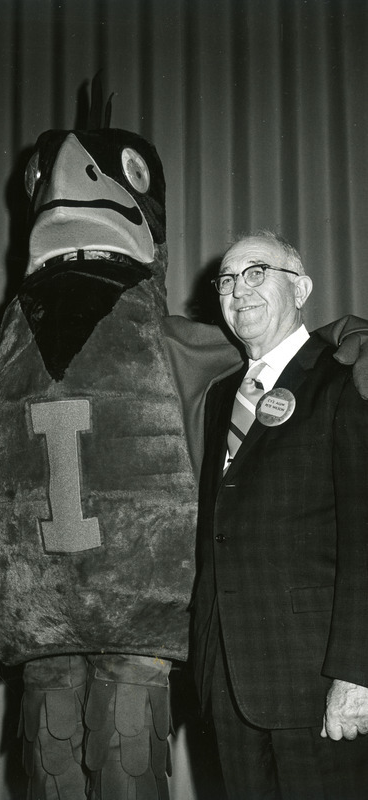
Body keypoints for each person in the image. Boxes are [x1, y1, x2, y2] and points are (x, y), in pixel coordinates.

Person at [191, 230, 368, 800]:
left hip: (317, 682)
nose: (238, 291)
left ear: (302, 288)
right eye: (226, 280)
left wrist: (358, 672)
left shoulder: (347, 379)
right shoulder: (221, 395)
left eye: (256, 272)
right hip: (229, 683)